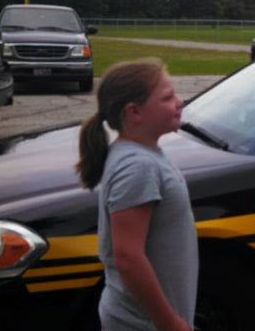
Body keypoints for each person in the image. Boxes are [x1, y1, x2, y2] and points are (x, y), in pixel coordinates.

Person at [75, 58, 198, 331]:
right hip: (142, 323)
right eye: (167, 98)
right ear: (135, 112)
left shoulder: (142, 154)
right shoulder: (138, 166)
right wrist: (170, 324)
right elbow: (128, 258)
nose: (179, 102)